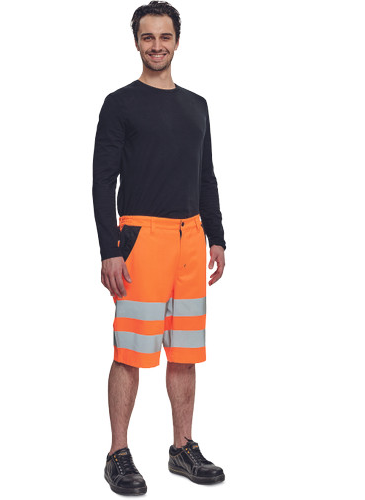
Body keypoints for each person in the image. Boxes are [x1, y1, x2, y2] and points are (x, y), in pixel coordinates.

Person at [92, 1, 226, 495]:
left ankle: (181, 448)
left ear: (177, 41)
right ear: (136, 43)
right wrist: (110, 248)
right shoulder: (120, 103)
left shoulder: (197, 105)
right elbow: (102, 180)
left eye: (164, 36)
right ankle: (118, 454)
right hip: (141, 240)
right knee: (130, 352)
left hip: (191, 238)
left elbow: (205, 175)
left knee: (185, 352)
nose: (156, 45)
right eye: (147, 37)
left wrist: (217, 237)